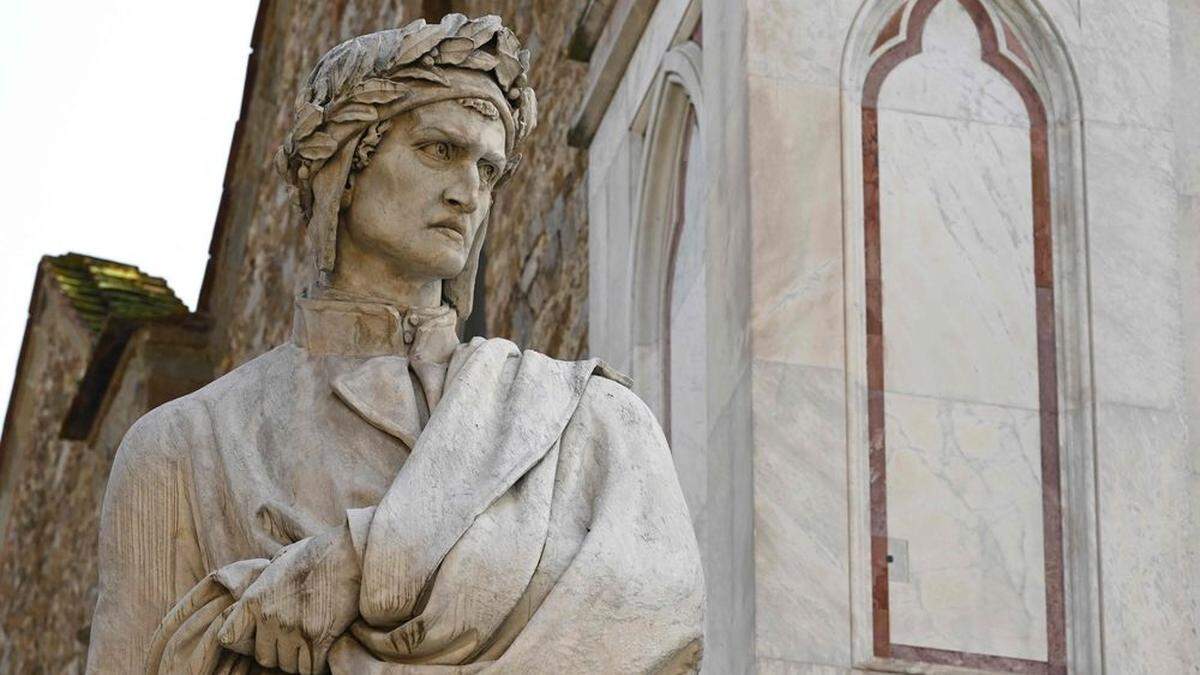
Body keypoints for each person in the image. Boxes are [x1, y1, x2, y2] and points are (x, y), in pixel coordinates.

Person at [85, 14, 704, 675]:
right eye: (439, 150)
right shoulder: (184, 449)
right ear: (346, 167)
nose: (468, 193)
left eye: (488, 169)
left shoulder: (588, 420)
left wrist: (356, 563)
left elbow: (661, 614)